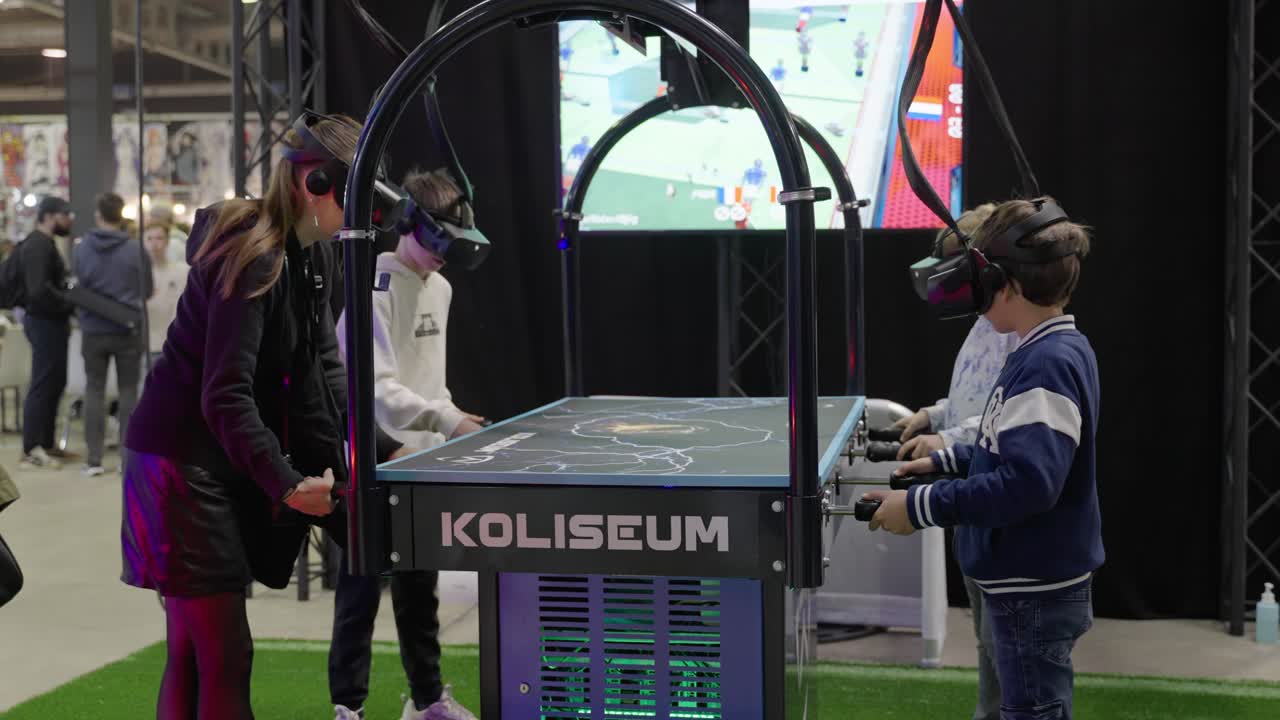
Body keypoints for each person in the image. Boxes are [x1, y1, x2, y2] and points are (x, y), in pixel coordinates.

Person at [121, 112, 408, 719]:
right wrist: (285, 482)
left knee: (197, 652)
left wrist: (379, 450)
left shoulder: (319, 257)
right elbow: (223, 393)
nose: (363, 222)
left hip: (217, 459)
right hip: (179, 464)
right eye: (355, 201)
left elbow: (324, 377)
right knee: (222, 654)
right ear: (319, 185)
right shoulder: (254, 253)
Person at [867, 197, 1099, 720]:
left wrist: (922, 507)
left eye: (977, 281)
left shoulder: (1045, 364)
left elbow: (1029, 484)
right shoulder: (1039, 350)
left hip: (1031, 586)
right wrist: (950, 463)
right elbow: (1011, 449)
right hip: (1022, 580)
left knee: (1032, 711)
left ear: (1009, 286)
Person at [329, 169, 482, 720]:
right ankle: (348, 707)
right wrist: (446, 420)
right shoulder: (373, 284)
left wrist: (449, 422)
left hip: (421, 464)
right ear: (409, 224)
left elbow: (428, 379)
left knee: (421, 591)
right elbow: (372, 385)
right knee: (359, 591)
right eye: (437, 239)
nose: (444, 254)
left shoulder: (440, 287)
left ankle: (427, 700)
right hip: (371, 458)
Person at [891, 203, 1014, 720]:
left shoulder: (1015, 329)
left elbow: (1002, 420)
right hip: (975, 511)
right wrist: (932, 415)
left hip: (998, 509)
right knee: (988, 642)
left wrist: (944, 443)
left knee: (1005, 648)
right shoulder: (985, 323)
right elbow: (970, 398)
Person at [74, 192, 153, 476]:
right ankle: (127, 459)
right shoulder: (135, 249)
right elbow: (147, 290)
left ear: (98, 214)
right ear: (122, 215)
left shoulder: (82, 249)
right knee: (128, 391)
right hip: (127, 328)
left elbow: (78, 285)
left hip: (93, 329)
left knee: (94, 389)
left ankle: (93, 459)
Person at [17, 195, 75, 469]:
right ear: (51, 216)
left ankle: (47, 442)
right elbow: (38, 290)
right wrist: (68, 301)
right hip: (43, 322)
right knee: (43, 382)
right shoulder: (38, 246)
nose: (69, 220)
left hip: (51, 322)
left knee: (55, 381)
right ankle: (33, 447)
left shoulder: (46, 245)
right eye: (66, 215)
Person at [144, 220, 190, 360]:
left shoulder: (183, 272)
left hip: (175, 346)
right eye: (149, 239)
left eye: (159, 238)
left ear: (167, 241)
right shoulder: (137, 275)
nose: (154, 244)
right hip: (147, 346)